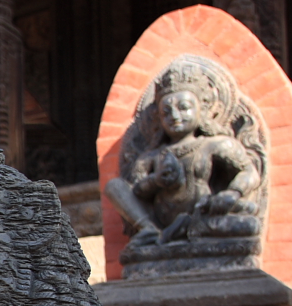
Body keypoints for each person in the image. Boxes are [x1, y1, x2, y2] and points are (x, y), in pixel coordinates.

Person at [105, 56, 262, 246]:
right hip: (161, 222)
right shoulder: (152, 157)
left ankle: (176, 235)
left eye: (184, 108)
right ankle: (149, 229)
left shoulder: (214, 145)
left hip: (201, 218)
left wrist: (232, 194)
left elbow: (250, 172)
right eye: (166, 112)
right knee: (113, 185)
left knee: (249, 226)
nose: (175, 116)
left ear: (203, 109)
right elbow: (136, 191)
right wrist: (156, 181)